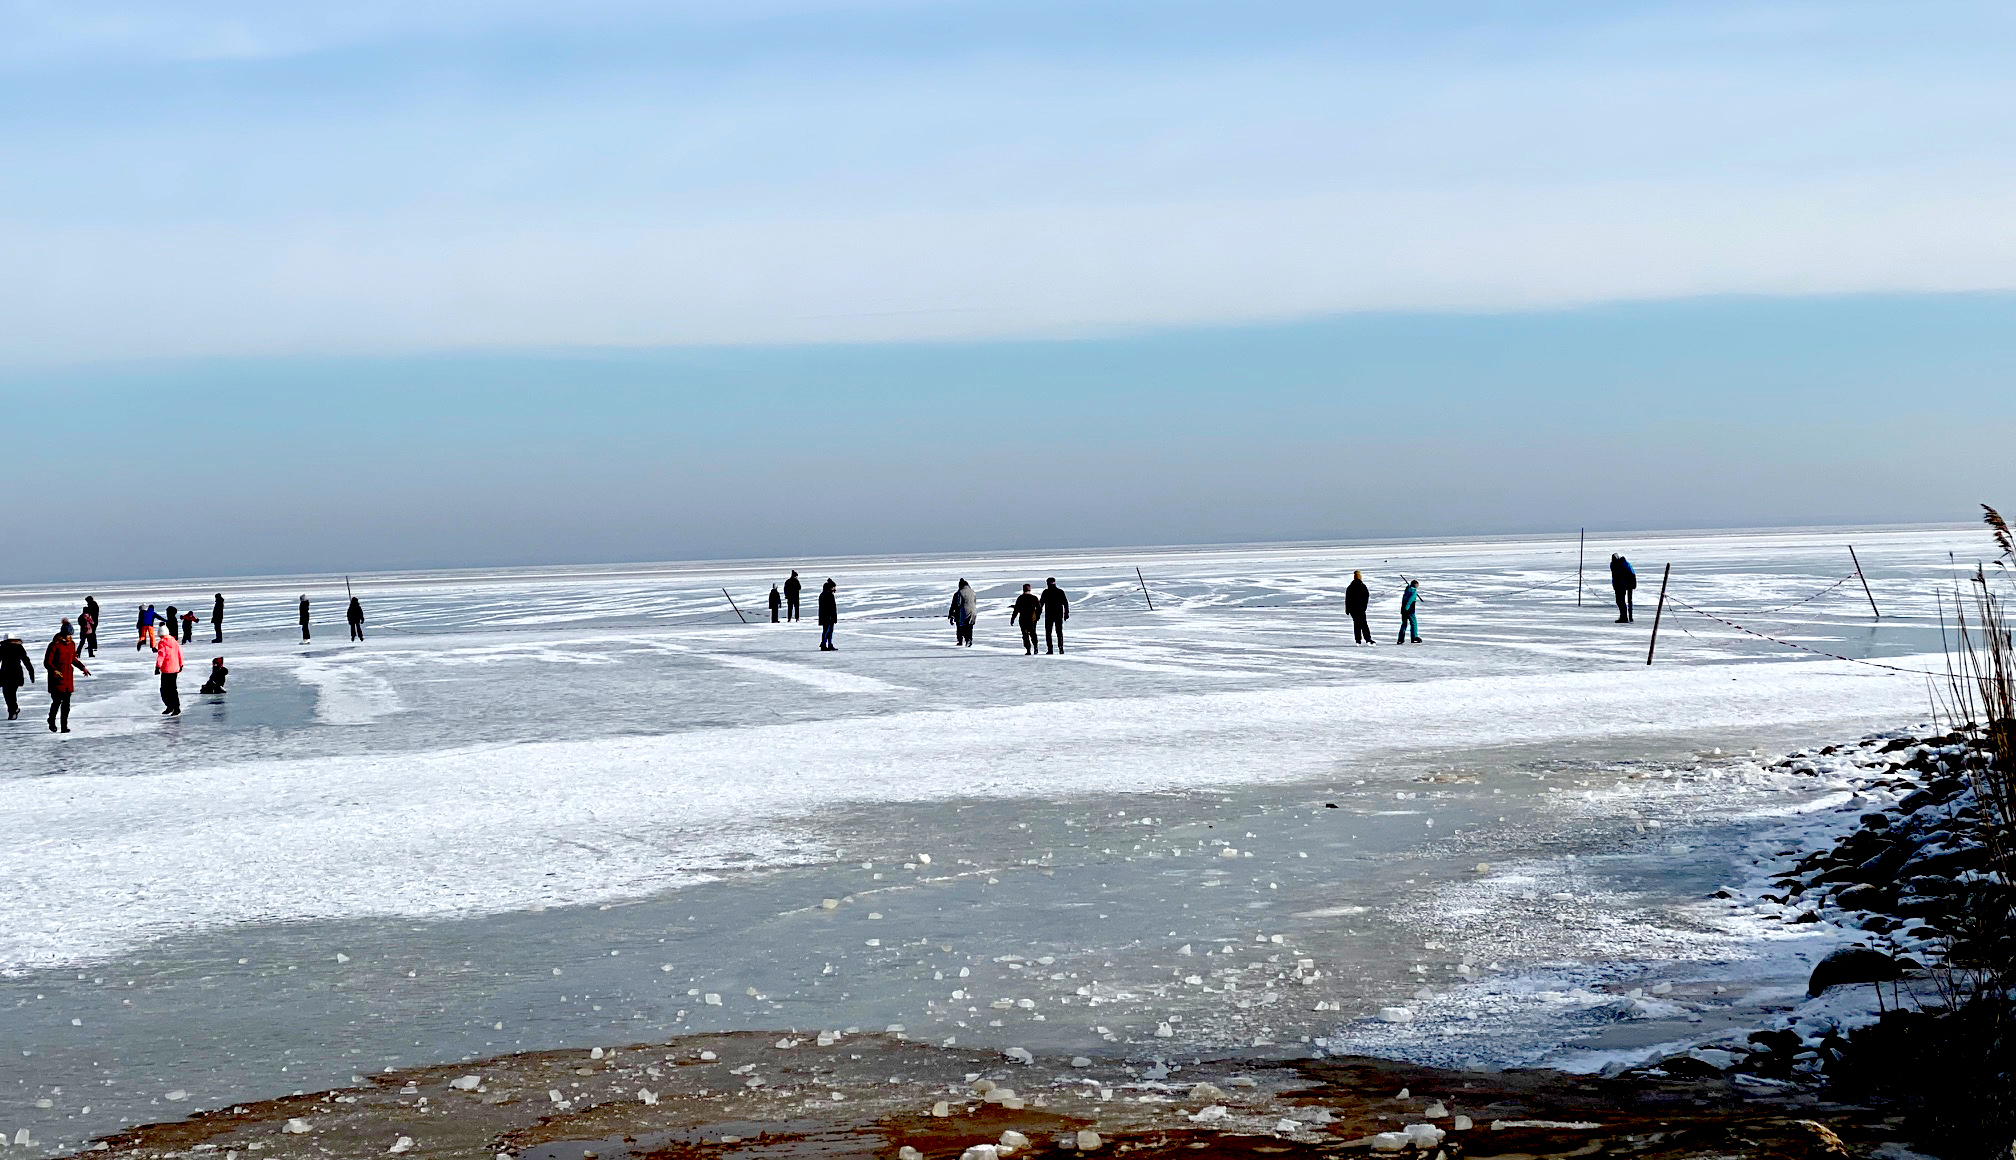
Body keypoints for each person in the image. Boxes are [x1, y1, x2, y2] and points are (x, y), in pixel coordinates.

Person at [44, 620, 89, 732]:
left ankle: (64, 726)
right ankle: (52, 720)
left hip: (68, 678)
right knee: (57, 702)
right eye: (68, 635)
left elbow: (73, 659)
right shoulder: (54, 645)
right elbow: (47, 662)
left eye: (70, 635)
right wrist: (54, 671)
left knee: (66, 705)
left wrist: (82, 667)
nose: (69, 637)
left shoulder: (72, 645)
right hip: (57, 679)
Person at [0, 633, 33, 720]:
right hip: (16, 674)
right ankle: (13, 710)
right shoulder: (18, 647)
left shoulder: (2, 648)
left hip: (6, 674)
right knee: (11, 693)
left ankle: (13, 710)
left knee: (7, 693)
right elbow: (26, 660)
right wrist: (31, 671)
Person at [153, 627, 185, 716]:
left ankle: (171, 706)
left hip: (167, 669)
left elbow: (161, 656)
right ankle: (175, 707)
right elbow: (180, 653)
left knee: (164, 690)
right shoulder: (174, 641)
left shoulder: (162, 643)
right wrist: (181, 664)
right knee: (173, 689)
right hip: (175, 668)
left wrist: (157, 667)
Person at [1008, 583, 1042, 655]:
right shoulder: (1034, 598)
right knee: (1033, 633)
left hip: (1023, 618)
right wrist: (1037, 616)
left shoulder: (1020, 598)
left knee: (1025, 634)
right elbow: (1039, 608)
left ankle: (1028, 650)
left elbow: (1016, 609)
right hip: (1032, 618)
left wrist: (1012, 618)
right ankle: (1036, 647)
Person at [1040, 577, 1070, 654]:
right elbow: (1065, 603)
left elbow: (1041, 604)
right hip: (1058, 614)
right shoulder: (1060, 592)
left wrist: (1038, 614)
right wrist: (1066, 613)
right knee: (1059, 632)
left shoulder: (1046, 592)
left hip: (1049, 615)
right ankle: (1061, 648)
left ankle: (1050, 649)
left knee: (1048, 632)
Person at [1345, 570, 1374, 645]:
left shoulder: (1350, 587)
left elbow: (1347, 599)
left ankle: (1358, 640)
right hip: (1361, 609)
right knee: (1364, 624)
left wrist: (1347, 609)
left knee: (1356, 624)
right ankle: (1367, 638)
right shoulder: (1362, 586)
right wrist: (1364, 607)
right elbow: (1366, 598)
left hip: (1353, 610)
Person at [947, 579, 978, 647]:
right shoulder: (973, 592)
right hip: (973, 611)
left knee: (961, 627)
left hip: (964, 612)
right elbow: (974, 602)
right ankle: (969, 639)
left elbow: (957, 604)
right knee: (969, 627)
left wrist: (951, 614)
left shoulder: (959, 593)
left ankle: (961, 641)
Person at [1610, 554, 1637, 624]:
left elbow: (1631, 574)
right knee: (1620, 601)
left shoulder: (1623, 564)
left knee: (1622, 601)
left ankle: (1625, 617)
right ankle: (1625, 617)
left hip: (1623, 585)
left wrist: (1631, 584)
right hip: (1619, 585)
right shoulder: (1615, 565)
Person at [1397, 579, 1422, 644]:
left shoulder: (1407, 590)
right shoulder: (1413, 592)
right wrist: (1406, 609)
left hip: (1403, 609)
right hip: (1409, 610)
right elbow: (1409, 601)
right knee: (1414, 623)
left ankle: (1400, 638)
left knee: (1404, 624)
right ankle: (1414, 637)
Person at [816, 579, 839, 650]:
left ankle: (829, 644)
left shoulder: (828, 595)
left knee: (830, 631)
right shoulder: (825, 595)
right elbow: (826, 608)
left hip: (830, 616)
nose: (834, 589)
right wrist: (829, 616)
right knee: (826, 630)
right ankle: (823, 644)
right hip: (827, 617)